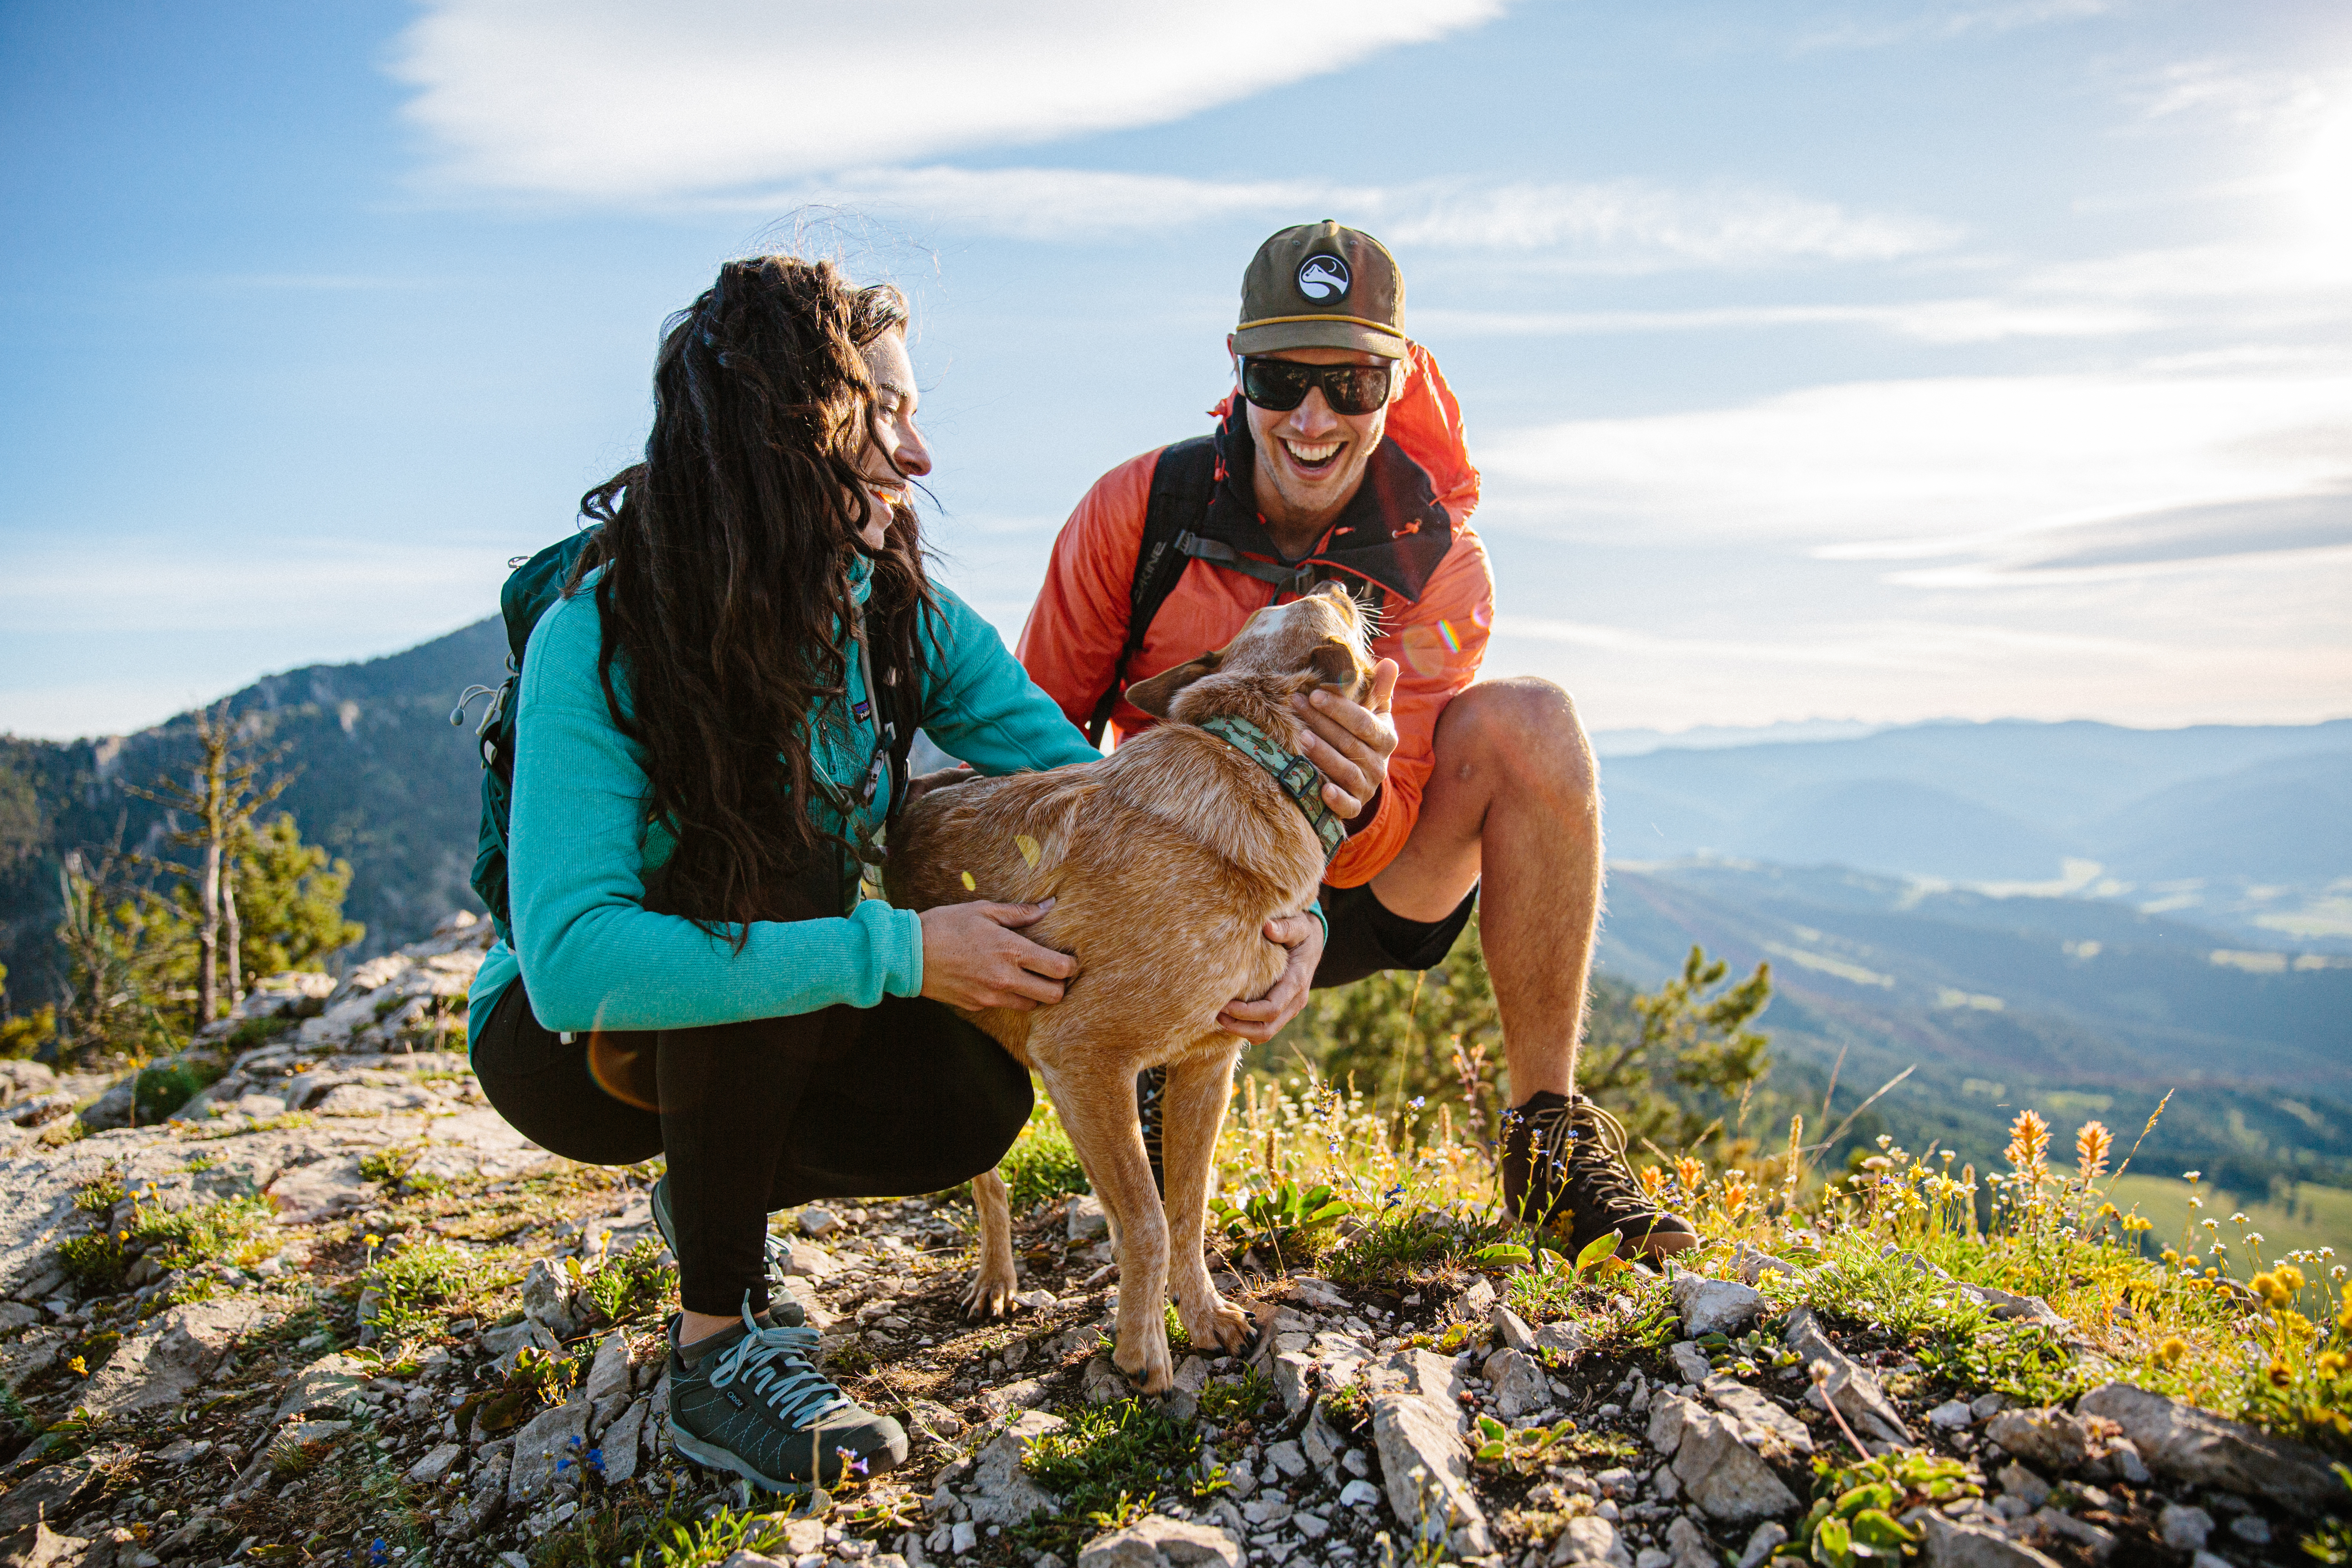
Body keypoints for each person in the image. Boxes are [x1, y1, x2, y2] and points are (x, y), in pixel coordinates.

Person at [462, 254, 1328, 1493]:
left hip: (767, 1019)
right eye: (886, 415)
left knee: (972, 1100)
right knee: (772, 853)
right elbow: (571, 966)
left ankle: (717, 1189)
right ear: (784, 428)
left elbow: (1098, 793)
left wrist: (1280, 921)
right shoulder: (602, 635)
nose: (917, 456)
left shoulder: (895, 609)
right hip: (573, 1051)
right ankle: (718, 1348)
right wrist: (909, 953)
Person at [1018, 222, 1696, 1259]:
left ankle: (1549, 1143)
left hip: (1356, 879)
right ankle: (1154, 1041)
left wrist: (1353, 804)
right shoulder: (1138, 509)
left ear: (1398, 379)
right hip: (1170, 877)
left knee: (1533, 722)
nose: (1312, 415)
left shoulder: (1441, 559)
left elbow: (1399, 806)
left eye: (1353, 383)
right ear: (1239, 374)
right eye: (1282, 376)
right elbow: (1036, 737)